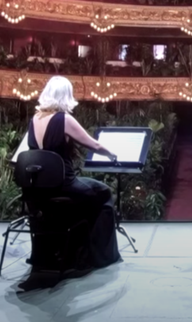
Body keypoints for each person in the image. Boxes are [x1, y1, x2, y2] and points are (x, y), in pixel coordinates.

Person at [12, 76, 121, 269]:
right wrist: (111, 154)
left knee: (88, 195)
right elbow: (92, 144)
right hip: (63, 186)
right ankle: (96, 256)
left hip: (37, 190)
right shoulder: (64, 119)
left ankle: (65, 250)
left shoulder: (35, 119)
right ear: (66, 96)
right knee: (103, 193)